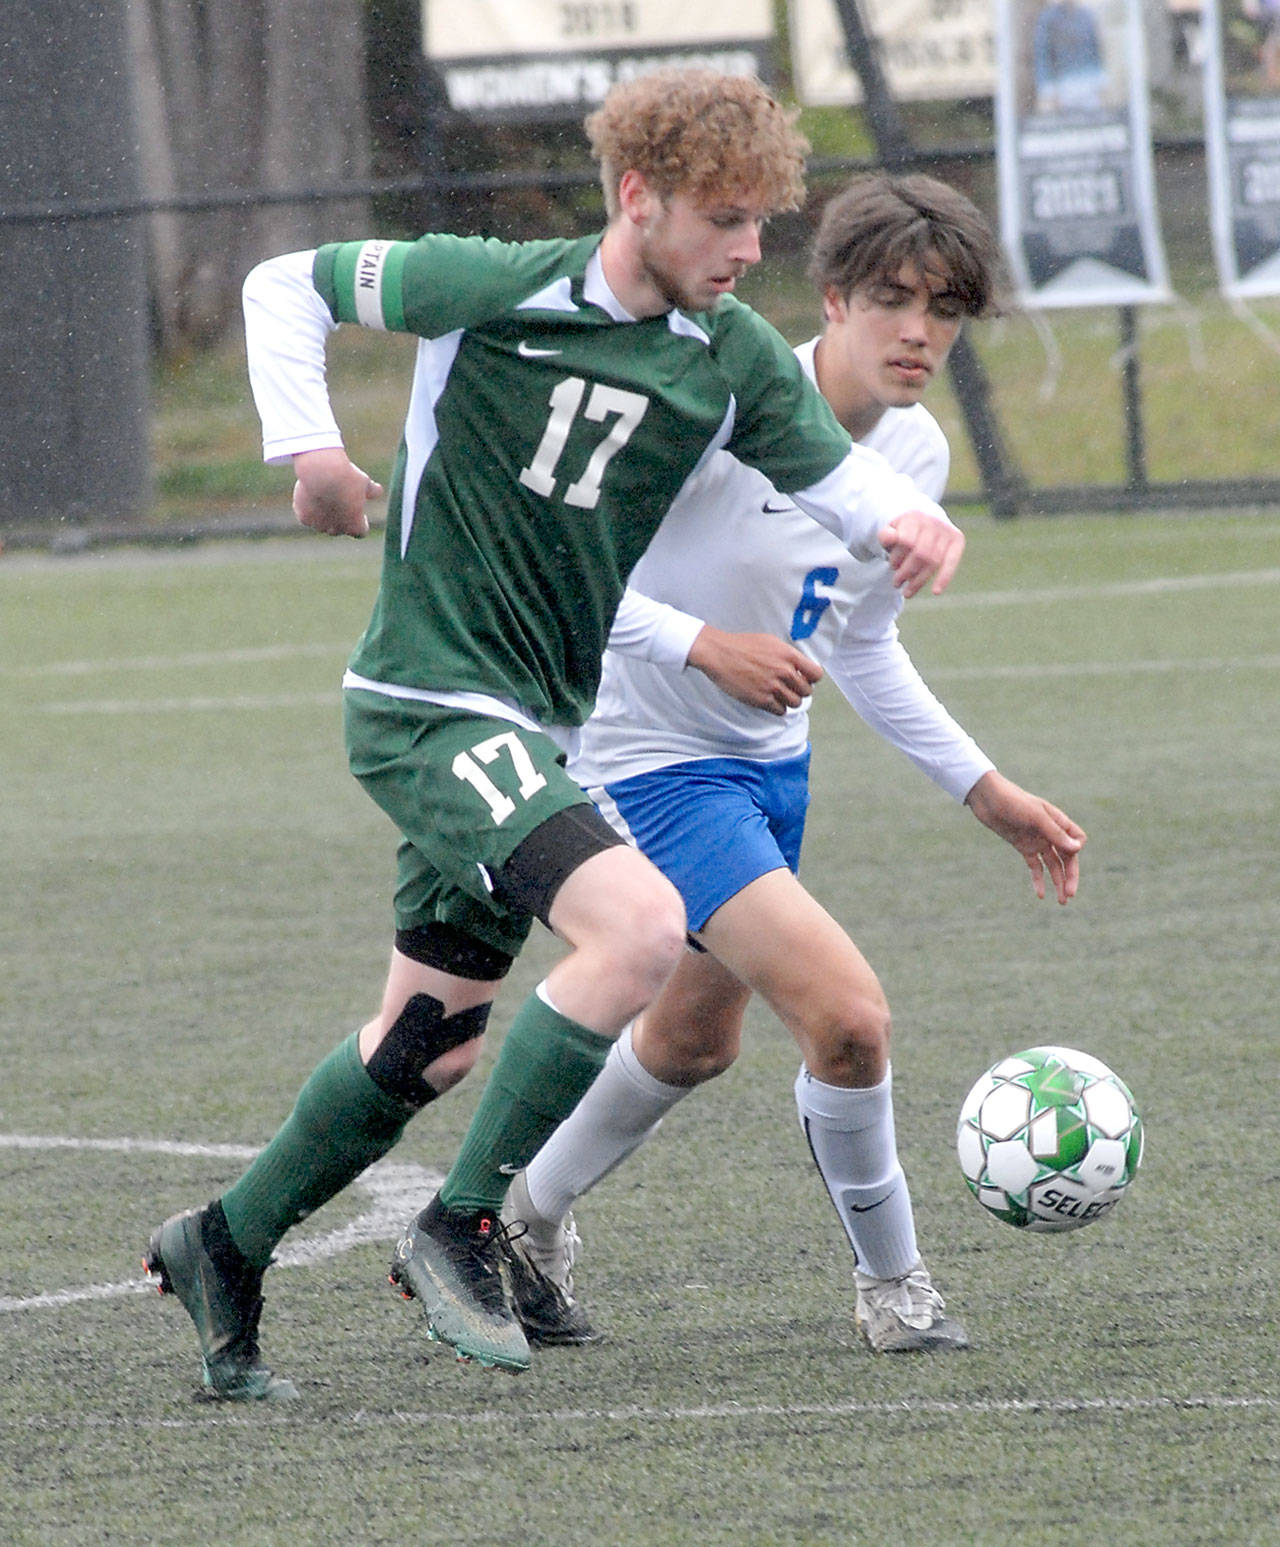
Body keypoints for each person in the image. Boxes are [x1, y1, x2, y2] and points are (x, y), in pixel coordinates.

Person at [143, 70, 968, 1398]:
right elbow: (283, 283)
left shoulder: (729, 352)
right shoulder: (490, 281)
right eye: (725, 220)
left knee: (431, 1041)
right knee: (639, 929)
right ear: (637, 199)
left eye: (765, 223)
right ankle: (466, 1226)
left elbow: (832, 468)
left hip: (536, 721)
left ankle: (223, 1245)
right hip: (428, 695)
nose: (751, 250)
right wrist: (306, 447)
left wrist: (902, 524)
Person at [498, 173, 1087, 1354]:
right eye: (890, 300)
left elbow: (861, 644)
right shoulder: (706, 407)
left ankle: (517, 1221)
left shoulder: (913, 453)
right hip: (645, 760)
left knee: (689, 1041)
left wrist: (985, 789)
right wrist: (699, 645)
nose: (917, 331)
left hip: (768, 767)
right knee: (848, 1019)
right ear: (828, 299)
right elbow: (564, 578)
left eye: (943, 309)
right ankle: (894, 1291)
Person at [1032, 0, 1107, 115]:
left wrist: (1100, 83)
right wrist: (1048, 91)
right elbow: (1042, 55)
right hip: (1062, 89)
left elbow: (1095, 50)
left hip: (1088, 86)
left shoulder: (1086, 16)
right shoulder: (1048, 19)